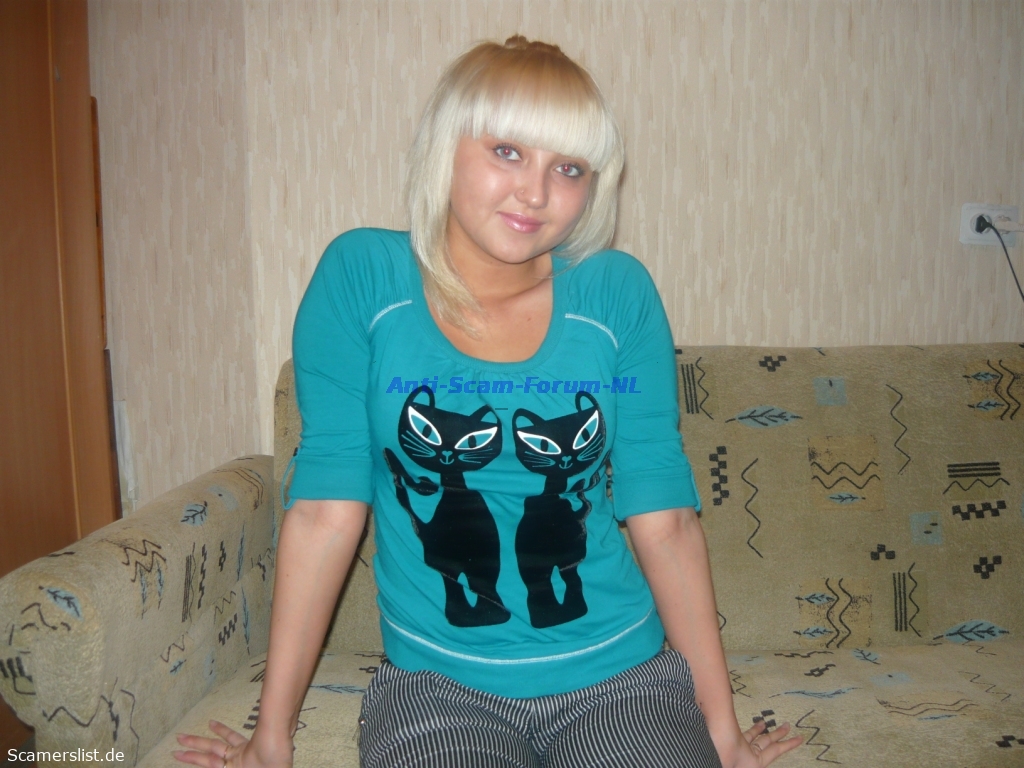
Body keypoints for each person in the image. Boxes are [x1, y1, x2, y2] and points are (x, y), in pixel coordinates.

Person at [174, 36, 802, 768]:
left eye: (568, 168)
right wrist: (271, 738)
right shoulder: (363, 279)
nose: (536, 193)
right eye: (508, 152)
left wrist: (722, 734)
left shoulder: (616, 295)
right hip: (436, 689)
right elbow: (323, 511)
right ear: (446, 148)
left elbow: (665, 522)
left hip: (619, 675)